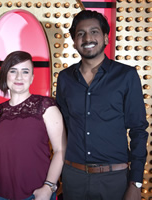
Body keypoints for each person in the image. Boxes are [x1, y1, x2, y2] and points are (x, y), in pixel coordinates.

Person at [56, 10, 148, 200]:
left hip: (114, 180)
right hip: (73, 178)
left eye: (94, 31)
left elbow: (138, 130)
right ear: (74, 42)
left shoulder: (126, 76)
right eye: (80, 33)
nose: (87, 37)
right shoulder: (65, 78)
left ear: (106, 38)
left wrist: (136, 183)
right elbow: (61, 129)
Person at [0, 51, 67, 200]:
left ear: (32, 78)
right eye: (13, 71)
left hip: (36, 194)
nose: (19, 77)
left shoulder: (45, 106)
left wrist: (48, 187)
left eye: (25, 72)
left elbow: (61, 149)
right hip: (1, 195)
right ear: (6, 75)